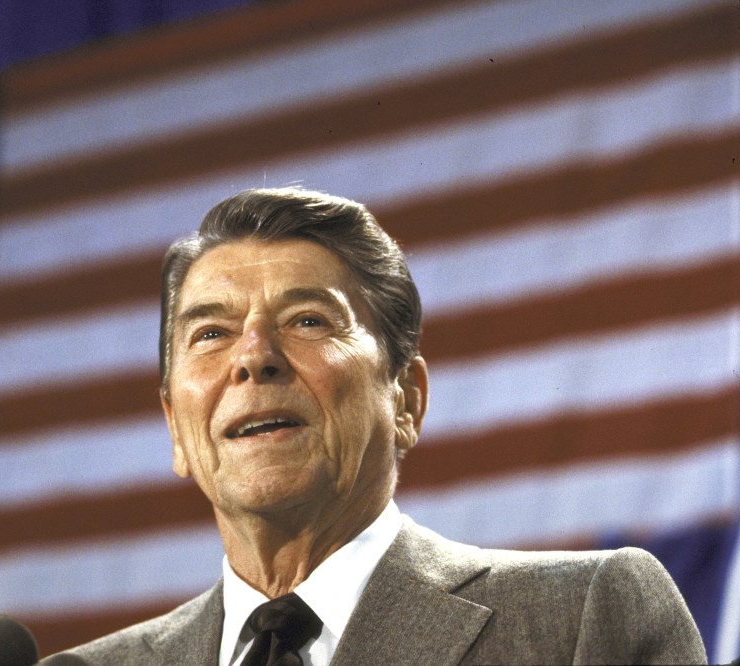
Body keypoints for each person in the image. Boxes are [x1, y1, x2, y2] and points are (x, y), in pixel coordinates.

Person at [40, 188, 706, 665]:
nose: (253, 356)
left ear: (406, 399)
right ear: (176, 429)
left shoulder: (578, 618)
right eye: (211, 333)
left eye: (307, 320)